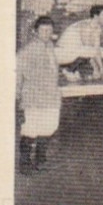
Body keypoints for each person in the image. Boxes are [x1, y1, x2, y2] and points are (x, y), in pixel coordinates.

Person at [16, 16, 62, 173]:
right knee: (31, 129)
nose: (46, 33)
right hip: (34, 96)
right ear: (36, 31)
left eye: (49, 30)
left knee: (49, 127)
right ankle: (25, 163)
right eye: (43, 30)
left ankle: (41, 159)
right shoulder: (28, 50)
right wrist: (17, 97)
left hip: (50, 96)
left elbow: (52, 71)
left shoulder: (50, 46)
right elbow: (18, 75)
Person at [55, 4, 103, 80]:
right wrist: (96, 69)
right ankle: (68, 70)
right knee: (90, 52)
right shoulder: (85, 25)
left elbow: (96, 48)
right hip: (62, 52)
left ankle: (77, 71)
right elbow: (90, 50)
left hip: (75, 50)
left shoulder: (97, 28)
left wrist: (102, 69)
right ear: (95, 16)